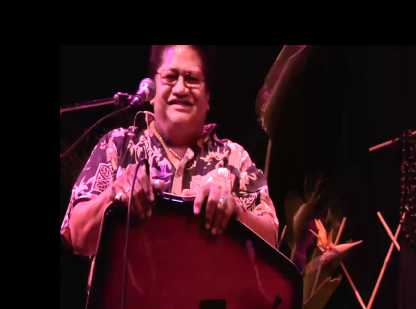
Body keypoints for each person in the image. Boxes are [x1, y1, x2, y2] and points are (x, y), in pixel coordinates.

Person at [60, 45, 279, 258]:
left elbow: (272, 240)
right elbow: (78, 237)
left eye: (192, 79)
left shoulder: (234, 157)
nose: (181, 88)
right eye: (171, 77)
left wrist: (235, 212)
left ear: (208, 97)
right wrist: (114, 196)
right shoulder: (117, 145)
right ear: (152, 91)